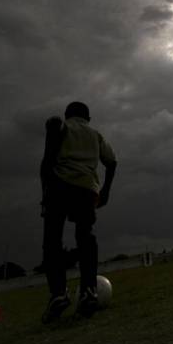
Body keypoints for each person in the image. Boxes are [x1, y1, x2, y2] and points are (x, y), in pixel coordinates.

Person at [40, 102, 117, 323]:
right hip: (86, 189)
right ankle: (88, 291)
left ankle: (58, 293)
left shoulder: (61, 127)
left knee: (52, 239)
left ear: (68, 115)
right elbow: (112, 162)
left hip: (60, 186)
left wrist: (45, 194)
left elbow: (47, 162)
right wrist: (106, 191)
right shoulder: (95, 135)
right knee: (85, 236)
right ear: (88, 118)